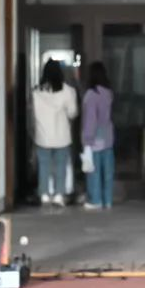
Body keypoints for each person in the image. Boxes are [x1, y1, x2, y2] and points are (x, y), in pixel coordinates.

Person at [32, 59, 78, 207]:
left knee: (44, 166)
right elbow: (72, 113)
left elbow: (32, 113)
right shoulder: (68, 91)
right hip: (62, 136)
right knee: (61, 166)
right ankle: (59, 194)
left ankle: (44, 194)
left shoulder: (36, 92)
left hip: (42, 136)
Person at [81, 62, 115, 211]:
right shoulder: (108, 93)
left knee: (94, 171)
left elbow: (90, 120)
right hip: (108, 136)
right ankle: (108, 200)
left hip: (95, 137)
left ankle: (96, 200)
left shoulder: (91, 95)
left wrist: (87, 140)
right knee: (107, 172)